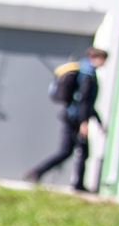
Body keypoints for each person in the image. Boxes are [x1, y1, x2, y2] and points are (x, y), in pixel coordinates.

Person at [26, 45, 107, 191]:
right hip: (75, 119)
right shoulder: (87, 75)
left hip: (73, 117)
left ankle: (38, 173)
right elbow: (84, 101)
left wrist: (98, 121)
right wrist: (84, 123)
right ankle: (41, 173)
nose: (104, 63)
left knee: (72, 152)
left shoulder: (84, 71)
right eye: (102, 59)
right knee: (74, 152)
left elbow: (88, 103)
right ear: (94, 57)